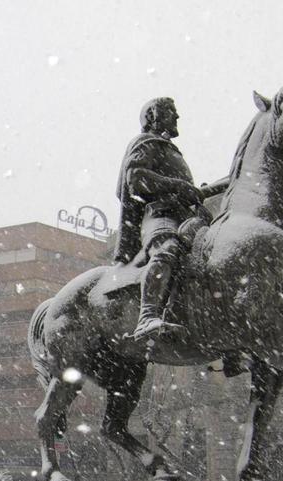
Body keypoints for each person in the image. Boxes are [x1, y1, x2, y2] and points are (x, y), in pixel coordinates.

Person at [114, 97, 207, 340]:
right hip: (160, 215)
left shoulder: (170, 149)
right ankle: (147, 316)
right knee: (168, 248)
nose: (177, 117)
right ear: (153, 116)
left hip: (185, 218)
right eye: (170, 112)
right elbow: (135, 178)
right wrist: (178, 186)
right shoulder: (146, 142)